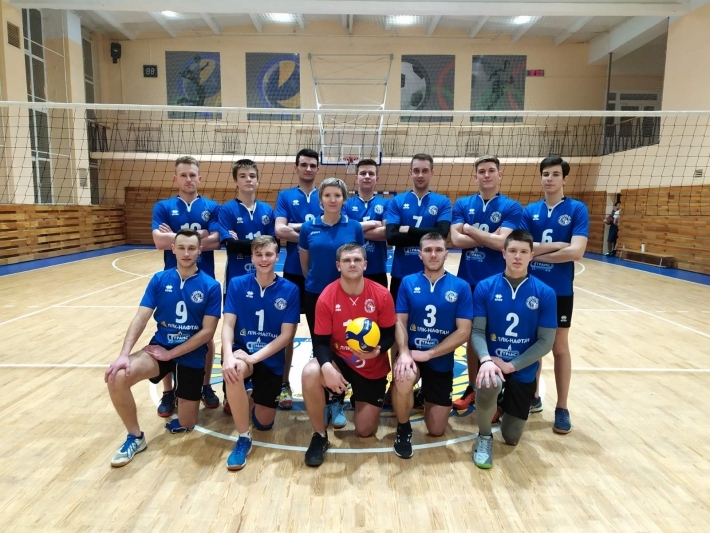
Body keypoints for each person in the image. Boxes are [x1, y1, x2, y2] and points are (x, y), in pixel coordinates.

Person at [105, 229, 221, 467]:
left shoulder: (211, 286)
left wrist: (171, 354)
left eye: (191, 248)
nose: (186, 253)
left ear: (200, 251)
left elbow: (207, 332)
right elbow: (141, 317)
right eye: (182, 248)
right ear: (173, 249)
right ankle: (135, 437)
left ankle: (187, 393)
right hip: (161, 347)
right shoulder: (159, 279)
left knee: (187, 424)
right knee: (117, 376)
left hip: (191, 354)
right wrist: (124, 355)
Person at [300, 243, 397, 467]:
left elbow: (389, 334)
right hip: (340, 361)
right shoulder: (327, 296)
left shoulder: (381, 294)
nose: (352, 264)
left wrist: (378, 351)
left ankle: (353, 398)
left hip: (372, 366)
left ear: (365, 264)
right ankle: (319, 435)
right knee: (310, 372)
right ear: (338, 266)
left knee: (365, 430)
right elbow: (320, 342)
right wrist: (327, 367)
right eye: (346, 260)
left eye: (356, 260)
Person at [470, 229, 557, 469]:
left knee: (511, 437)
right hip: (493, 364)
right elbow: (477, 331)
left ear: (532, 255)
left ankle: (505, 404)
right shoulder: (485, 287)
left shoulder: (545, 293)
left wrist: (512, 365)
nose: (517, 256)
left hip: (522, 368)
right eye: (513, 251)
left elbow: (546, 342)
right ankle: (484, 437)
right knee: (489, 382)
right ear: (503, 253)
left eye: (523, 252)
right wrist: (486, 360)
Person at [520, 156, 589, 434]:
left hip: (560, 291)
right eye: (546, 174)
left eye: (555, 174)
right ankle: (533, 397)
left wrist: (538, 254)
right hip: (531, 289)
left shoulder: (577, 209)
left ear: (565, 179)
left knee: (559, 348)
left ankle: (562, 407)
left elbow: (577, 251)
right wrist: (559, 245)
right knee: (532, 345)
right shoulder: (530, 211)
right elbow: (523, 247)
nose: (549, 178)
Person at [391, 232, 473, 459]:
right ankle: (403, 428)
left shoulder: (461, 286)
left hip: (440, 358)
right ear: (420, 255)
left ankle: (422, 394)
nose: (433, 254)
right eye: (428, 250)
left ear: (447, 253)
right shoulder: (408, 282)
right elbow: (400, 321)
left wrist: (431, 353)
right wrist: (404, 352)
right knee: (403, 377)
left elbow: (464, 331)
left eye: (438, 249)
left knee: (436, 430)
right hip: (413, 354)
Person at [221, 236, 300, 470]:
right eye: (258, 254)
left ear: (277, 256)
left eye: (268, 254)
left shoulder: (290, 289)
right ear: (252, 257)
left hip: (270, 360)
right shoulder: (237, 284)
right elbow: (228, 325)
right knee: (235, 370)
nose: (263, 259)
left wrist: (255, 358)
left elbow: (286, 336)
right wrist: (228, 355)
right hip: (242, 352)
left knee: (264, 424)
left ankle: (250, 394)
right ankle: (243, 437)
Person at [450, 155, 522, 410]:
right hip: (468, 282)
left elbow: (503, 243)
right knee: (472, 337)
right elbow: (455, 241)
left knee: (497, 336)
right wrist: (490, 236)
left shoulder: (512, 207)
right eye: (482, 171)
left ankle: (499, 390)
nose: (487, 175)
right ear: (475, 176)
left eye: (491, 170)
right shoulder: (462, 203)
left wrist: (469, 229)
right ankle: (473, 387)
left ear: (499, 175)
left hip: (498, 284)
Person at [151, 156, 221, 415]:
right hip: (171, 280)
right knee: (168, 331)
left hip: (204, 280)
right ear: (175, 178)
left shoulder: (212, 206)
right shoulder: (163, 206)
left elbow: (216, 241)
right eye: (184, 175)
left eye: (193, 175)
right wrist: (200, 235)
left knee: (206, 335)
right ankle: (168, 392)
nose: (189, 179)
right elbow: (159, 242)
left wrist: (175, 235)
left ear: (199, 178)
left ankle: (205, 385)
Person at [384, 154, 452, 405]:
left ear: (432, 172)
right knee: (398, 328)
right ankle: (397, 380)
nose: (420, 174)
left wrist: (407, 230)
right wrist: (425, 233)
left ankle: (427, 385)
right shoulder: (398, 201)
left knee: (430, 329)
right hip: (402, 277)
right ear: (410, 173)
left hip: (434, 278)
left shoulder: (442, 202)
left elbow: (442, 234)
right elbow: (391, 236)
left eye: (425, 170)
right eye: (416, 170)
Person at [299, 177, 365, 426]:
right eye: (327, 195)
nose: (332, 199)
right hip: (316, 295)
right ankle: (325, 397)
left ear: (344, 199)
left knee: (344, 345)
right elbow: (306, 264)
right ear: (320, 200)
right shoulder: (308, 228)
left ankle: (339, 398)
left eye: (337, 195)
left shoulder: (354, 227)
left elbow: (357, 261)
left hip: (347, 296)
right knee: (322, 346)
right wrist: (320, 286)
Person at [218, 159, 275, 415]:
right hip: (237, 281)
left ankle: (261, 383)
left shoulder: (267, 210)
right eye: (243, 175)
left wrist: (241, 242)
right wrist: (252, 244)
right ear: (236, 180)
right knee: (232, 332)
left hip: (264, 281)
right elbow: (229, 245)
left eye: (252, 175)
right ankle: (228, 390)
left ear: (257, 179)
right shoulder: (227, 210)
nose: (248, 179)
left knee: (261, 331)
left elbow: (273, 244)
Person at [274, 148, 322, 409]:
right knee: (287, 331)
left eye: (312, 165)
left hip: (321, 274)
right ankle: (283, 384)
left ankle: (324, 382)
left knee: (321, 332)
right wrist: (313, 235)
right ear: (296, 168)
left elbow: (334, 227)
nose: (308, 169)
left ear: (318, 168)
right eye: (303, 164)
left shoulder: (325, 194)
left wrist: (296, 227)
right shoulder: (285, 196)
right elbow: (279, 230)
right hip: (292, 272)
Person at [344, 159, 389, 288]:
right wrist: (374, 223)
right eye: (363, 173)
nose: (367, 176)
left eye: (371, 173)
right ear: (356, 178)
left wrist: (353, 230)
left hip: (378, 270)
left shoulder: (386, 203)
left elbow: (386, 233)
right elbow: (343, 230)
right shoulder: (346, 204)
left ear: (377, 178)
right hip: (351, 268)